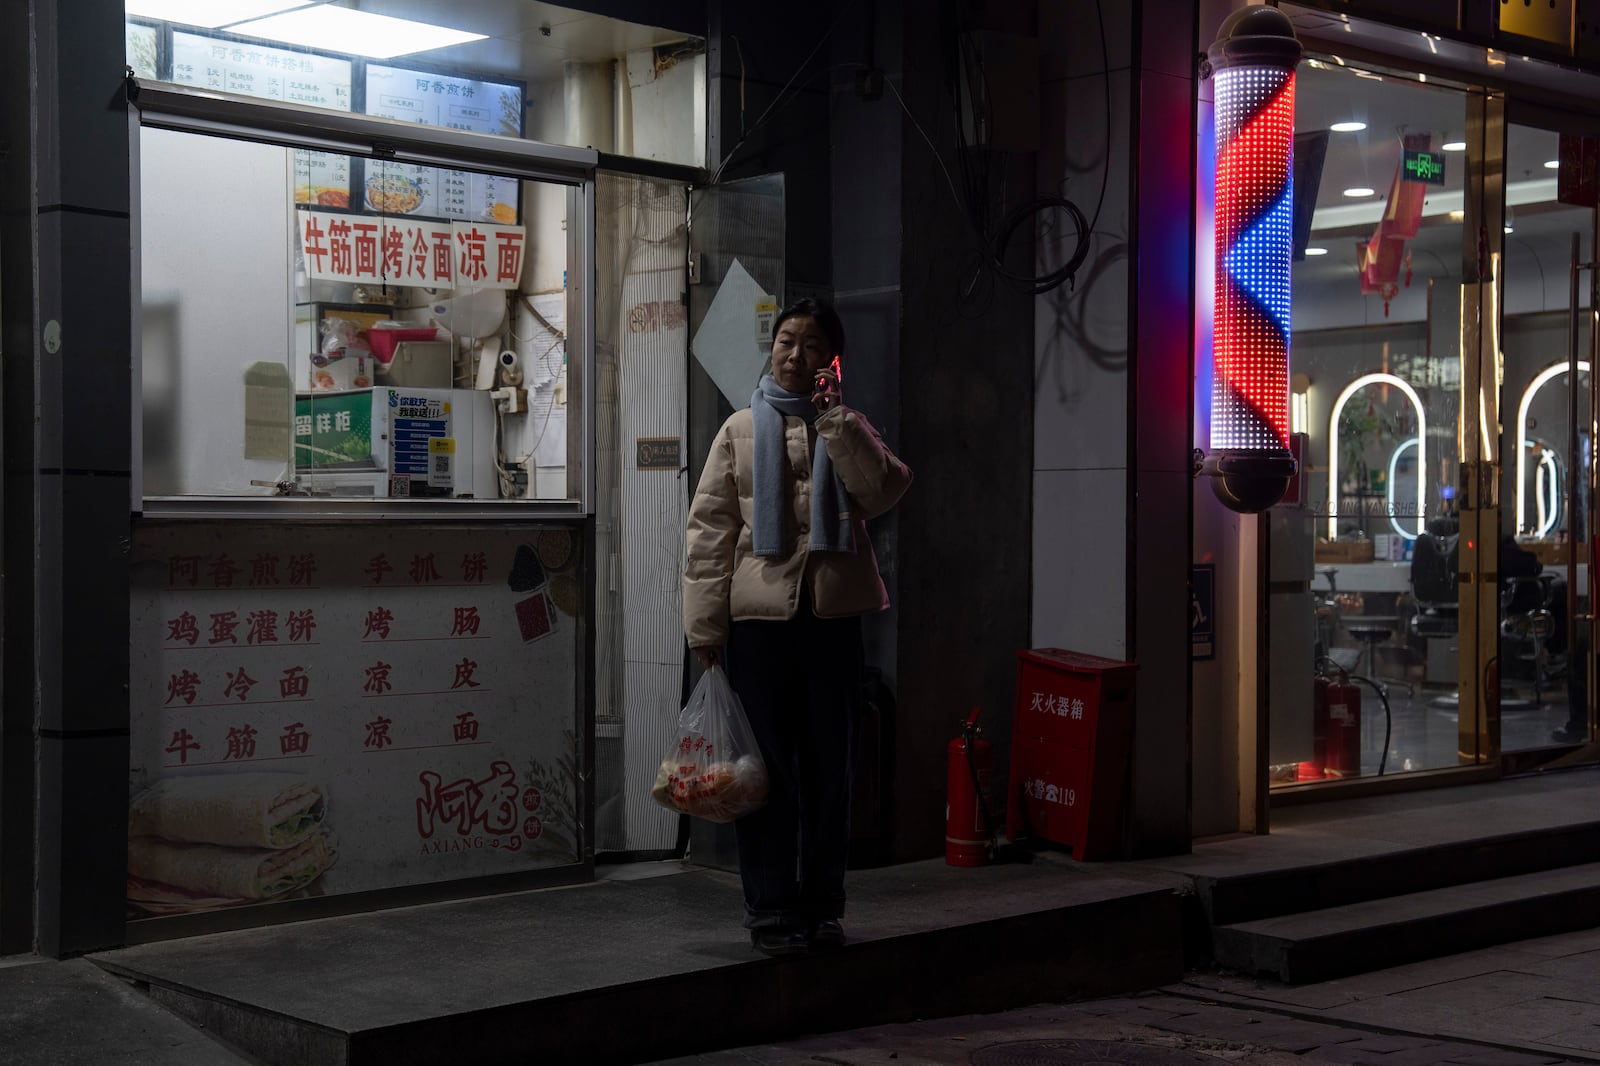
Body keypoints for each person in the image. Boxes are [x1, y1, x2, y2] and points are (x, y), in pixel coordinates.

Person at [683, 297, 912, 957]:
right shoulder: (737, 430)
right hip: (759, 623)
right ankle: (772, 910)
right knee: (767, 774)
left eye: (811, 344)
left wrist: (836, 419)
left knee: (830, 773)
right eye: (786, 340)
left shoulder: (846, 426)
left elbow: (885, 490)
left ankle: (823, 906)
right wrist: (705, 627)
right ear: (771, 347)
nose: (794, 353)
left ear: (829, 358)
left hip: (832, 620)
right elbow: (710, 536)